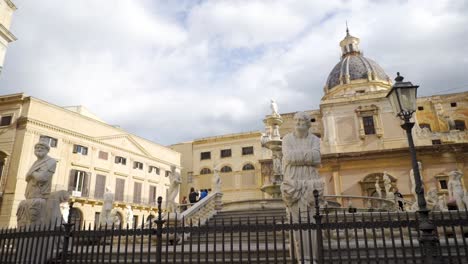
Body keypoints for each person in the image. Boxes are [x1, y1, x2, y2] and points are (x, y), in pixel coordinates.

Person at [280, 111, 323, 263]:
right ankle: (302, 258)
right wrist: (307, 157)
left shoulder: (314, 139)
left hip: (311, 182)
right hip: (293, 184)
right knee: (296, 221)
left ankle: (310, 258)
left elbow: (317, 158)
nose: (298, 123)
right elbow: (288, 157)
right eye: (296, 120)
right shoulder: (287, 139)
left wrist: (297, 156)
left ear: (308, 124)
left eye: (301, 121)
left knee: (311, 220)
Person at [17, 139, 57, 228]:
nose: (38, 149)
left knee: (35, 221)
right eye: (37, 147)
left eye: (41, 147)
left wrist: (32, 173)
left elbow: (42, 178)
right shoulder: (35, 162)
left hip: (41, 194)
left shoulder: (51, 161)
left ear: (47, 150)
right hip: (30, 194)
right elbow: (27, 177)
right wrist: (33, 174)